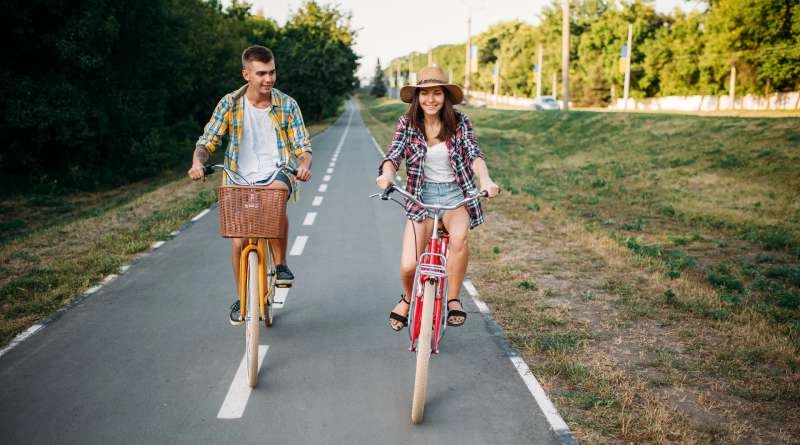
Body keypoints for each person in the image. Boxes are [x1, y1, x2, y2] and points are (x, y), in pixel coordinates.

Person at [188, 45, 312, 325]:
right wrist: (197, 162)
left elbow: (302, 146)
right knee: (239, 241)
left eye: (272, 72)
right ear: (246, 74)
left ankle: (280, 264)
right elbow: (207, 141)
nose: (268, 79)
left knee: (276, 196)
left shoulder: (287, 104)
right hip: (238, 176)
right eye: (261, 74)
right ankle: (242, 296)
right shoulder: (230, 103)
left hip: (277, 170)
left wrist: (304, 164)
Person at [376, 65, 500, 332]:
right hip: (421, 197)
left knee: (458, 239)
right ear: (417, 97)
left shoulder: (460, 122)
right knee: (409, 265)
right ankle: (408, 298)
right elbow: (394, 155)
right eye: (424, 93)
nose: (430, 99)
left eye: (437, 93)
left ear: (445, 96)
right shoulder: (407, 124)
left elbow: (474, 155)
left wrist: (486, 180)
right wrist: (386, 175)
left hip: (456, 195)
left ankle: (453, 299)